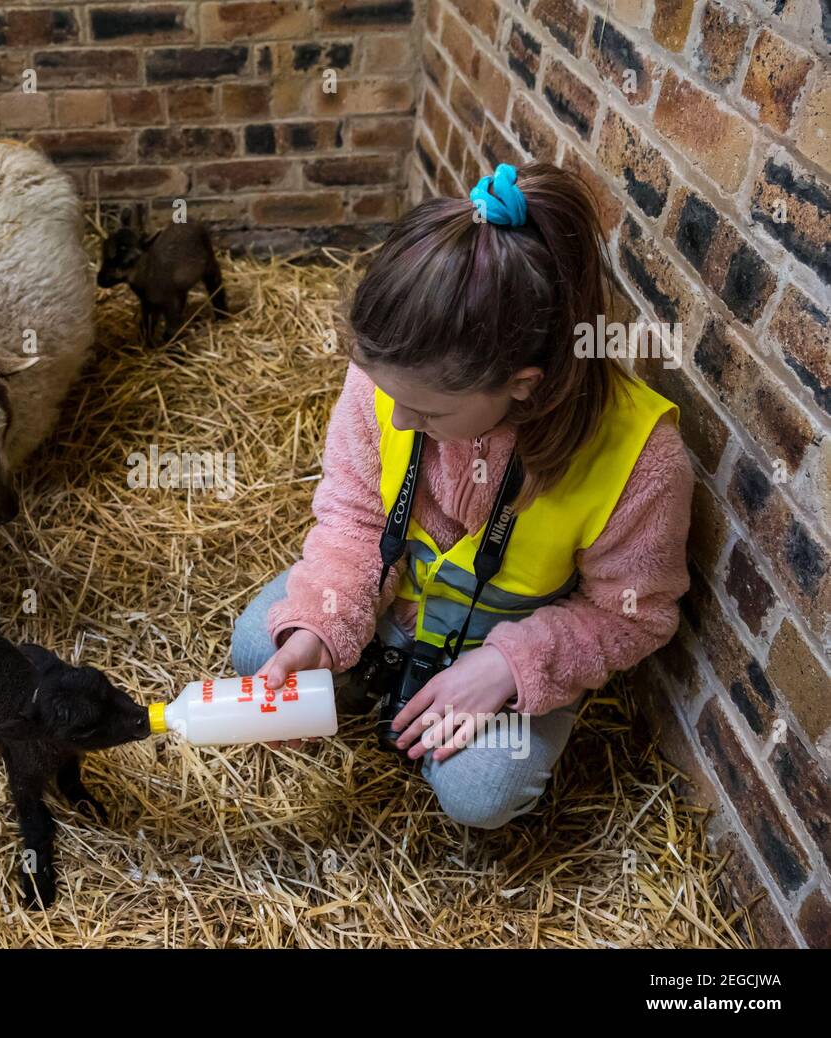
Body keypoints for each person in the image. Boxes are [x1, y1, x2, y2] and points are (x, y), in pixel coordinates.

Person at [231, 163, 693, 829]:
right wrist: (321, 624)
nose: (396, 420)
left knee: (482, 793)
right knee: (260, 647)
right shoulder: (400, 381)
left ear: (524, 384)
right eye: (388, 396)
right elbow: (356, 518)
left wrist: (510, 667)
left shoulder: (641, 456)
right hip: (396, 603)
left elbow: (634, 614)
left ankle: (421, 698)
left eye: (426, 414)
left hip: (499, 644)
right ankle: (380, 677)